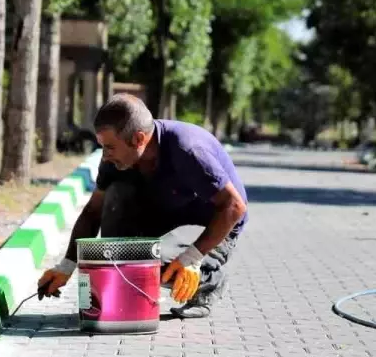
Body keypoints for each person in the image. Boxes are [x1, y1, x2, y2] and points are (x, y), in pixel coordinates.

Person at [36, 94, 249, 319]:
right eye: (102, 147)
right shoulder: (115, 159)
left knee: (149, 264)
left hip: (213, 225)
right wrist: (67, 266)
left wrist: (192, 257)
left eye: (109, 147)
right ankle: (134, 273)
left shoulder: (187, 149)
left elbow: (234, 207)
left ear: (138, 139)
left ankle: (209, 283)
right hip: (165, 217)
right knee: (116, 195)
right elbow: (93, 211)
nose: (105, 156)